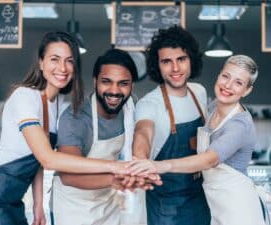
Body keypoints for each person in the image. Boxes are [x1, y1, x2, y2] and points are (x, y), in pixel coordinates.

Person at [0, 32, 129, 225]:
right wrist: (114, 167)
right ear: (41, 62)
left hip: (13, 199)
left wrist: (38, 205)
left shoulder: (60, 105)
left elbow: (36, 159)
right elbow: (47, 158)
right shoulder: (25, 96)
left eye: (69, 61)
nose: (62, 68)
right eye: (55, 59)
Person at [129, 55, 266, 225]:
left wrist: (159, 165)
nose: (228, 85)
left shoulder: (239, 125)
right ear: (219, 75)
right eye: (226, 76)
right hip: (215, 206)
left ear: (246, 90)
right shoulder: (213, 107)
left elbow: (209, 159)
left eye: (238, 82)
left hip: (238, 210)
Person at [51, 48, 161, 225]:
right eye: (106, 82)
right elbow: (68, 175)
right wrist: (116, 179)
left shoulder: (129, 108)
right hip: (74, 208)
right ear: (95, 82)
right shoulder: (76, 118)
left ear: (132, 85)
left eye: (123, 83)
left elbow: (142, 132)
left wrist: (139, 169)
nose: (114, 90)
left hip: (108, 205)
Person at [130, 26, 211, 225]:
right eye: (167, 61)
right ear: (157, 66)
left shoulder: (198, 92)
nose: (175, 69)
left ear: (191, 60)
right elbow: (143, 134)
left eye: (181, 59)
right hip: (166, 210)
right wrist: (140, 161)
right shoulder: (150, 104)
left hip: (201, 200)